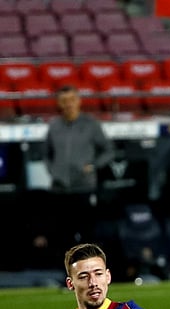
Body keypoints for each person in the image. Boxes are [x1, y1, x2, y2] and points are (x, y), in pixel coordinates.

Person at [43, 86, 114, 268]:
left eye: (72, 100)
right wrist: (53, 171)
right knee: (63, 236)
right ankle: (67, 275)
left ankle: (91, 273)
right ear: (59, 103)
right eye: (64, 101)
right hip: (60, 189)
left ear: (79, 101)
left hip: (84, 187)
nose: (68, 104)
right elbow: (47, 154)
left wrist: (93, 166)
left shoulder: (90, 124)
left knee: (88, 235)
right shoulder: (54, 125)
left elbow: (108, 150)